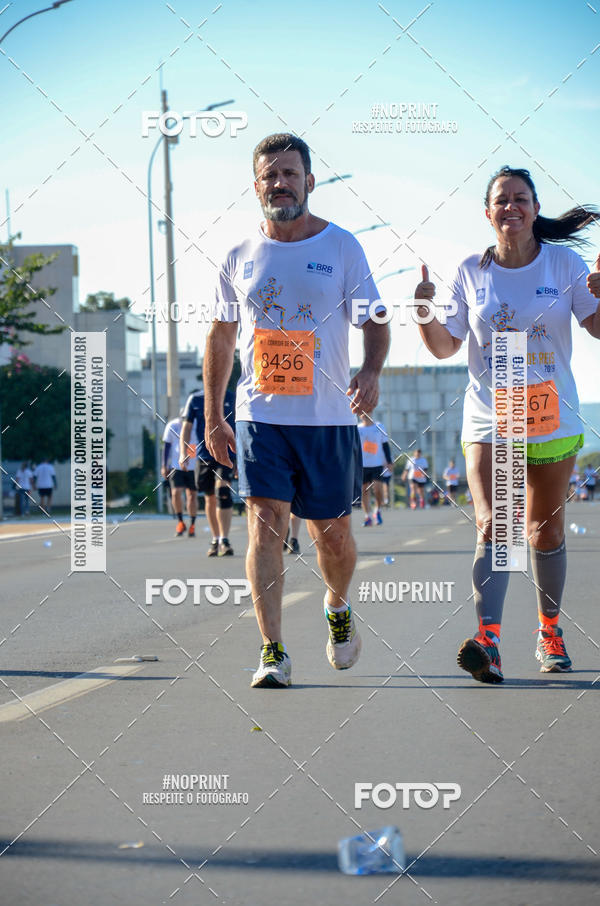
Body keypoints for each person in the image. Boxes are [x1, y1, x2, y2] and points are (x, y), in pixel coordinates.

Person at [203, 132, 389, 688]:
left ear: (310, 181)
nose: (280, 183)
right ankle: (273, 652)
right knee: (265, 527)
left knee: (332, 537)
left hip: (328, 416)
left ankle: (337, 605)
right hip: (261, 417)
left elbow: (376, 318)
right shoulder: (238, 255)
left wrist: (372, 370)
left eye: (290, 174)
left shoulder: (341, 246)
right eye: (270, 176)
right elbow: (220, 337)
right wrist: (215, 415)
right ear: (256, 185)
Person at [415, 165, 600, 683]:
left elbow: (597, 327)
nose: (511, 207)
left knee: (544, 531)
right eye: (501, 200)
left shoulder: (563, 263)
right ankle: (489, 641)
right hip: (492, 417)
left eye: (521, 198)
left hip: (551, 417)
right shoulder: (470, 270)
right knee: (497, 527)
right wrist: (424, 313)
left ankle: (549, 631)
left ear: (536, 209)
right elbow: (446, 346)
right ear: (488, 213)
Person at [180, 386, 237, 557]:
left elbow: (239, 425)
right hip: (204, 456)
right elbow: (187, 428)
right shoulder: (195, 399)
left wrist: (240, 457)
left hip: (226, 454)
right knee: (210, 498)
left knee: (223, 491)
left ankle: (225, 539)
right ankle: (216, 537)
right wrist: (184, 453)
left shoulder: (231, 397)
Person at [162, 413, 198, 537]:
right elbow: (167, 446)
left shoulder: (197, 424)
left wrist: (189, 457)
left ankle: (192, 523)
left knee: (192, 496)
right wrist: (164, 465)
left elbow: (198, 443)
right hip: (175, 466)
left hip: (193, 466)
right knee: (176, 492)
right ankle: (180, 521)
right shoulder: (172, 425)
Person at [357, 412, 393, 526]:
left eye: (366, 412)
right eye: (361, 412)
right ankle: (367, 515)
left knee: (378, 489)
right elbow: (354, 447)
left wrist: (389, 461)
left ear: (371, 412)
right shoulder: (357, 429)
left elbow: (385, 445)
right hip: (363, 465)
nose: (363, 414)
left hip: (377, 464)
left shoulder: (379, 426)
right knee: (364, 491)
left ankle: (378, 510)